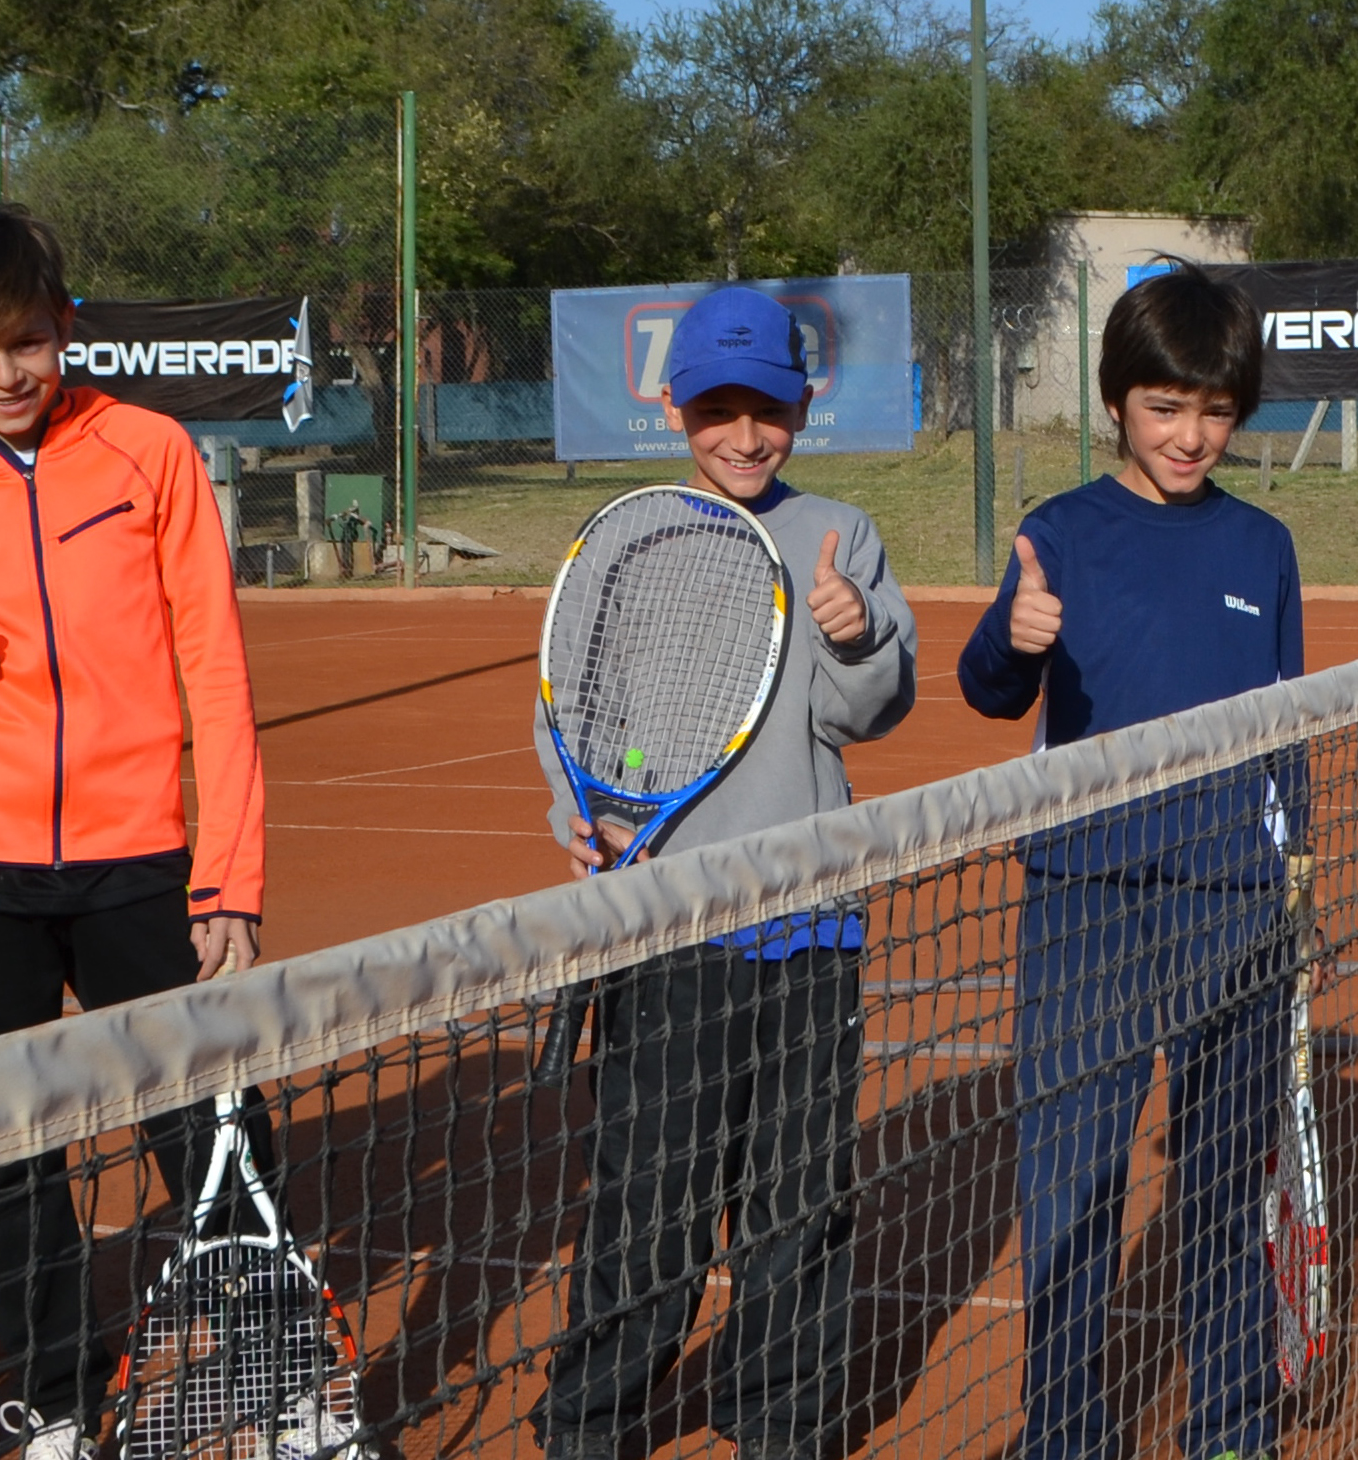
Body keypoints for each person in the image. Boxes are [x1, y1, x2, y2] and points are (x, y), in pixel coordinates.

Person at [0, 206, 272, 1460]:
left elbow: (215, 666)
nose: (8, 375)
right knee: (5, 1161)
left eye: (26, 341)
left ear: (63, 324)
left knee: (216, 1128)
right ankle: (58, 1401)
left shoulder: (150, 453)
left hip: (142, 863)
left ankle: (270, 1366)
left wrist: (229, 875)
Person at [532, 285, 917, 1460]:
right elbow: (569, 708)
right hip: (665, 932)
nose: (744, 434)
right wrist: (580, 813)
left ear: (802, 405)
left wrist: (853, 637)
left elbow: (866, 713)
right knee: (651, 1207)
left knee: (796, 1207)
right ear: (673, 406)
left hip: (807, 929)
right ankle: (590, 1421)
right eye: (717, 409)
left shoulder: (839, 531)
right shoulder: (624, 536)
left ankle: (781, 1422)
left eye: (768, 409)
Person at [956, 263, 1302, 1460]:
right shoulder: (1057, 533)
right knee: (1073, 1191)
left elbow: (1283, 727)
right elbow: (990, 690)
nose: (1191, 433)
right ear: (1116, 403)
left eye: (1213, 409)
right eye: (1165, 407)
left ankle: (1233, 1426)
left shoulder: (1265, 544)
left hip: (1233, 906)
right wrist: (1014, 635)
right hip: (1084, 900)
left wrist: (1291, 875)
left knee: (1216, 1192)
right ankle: (1063, 1431)